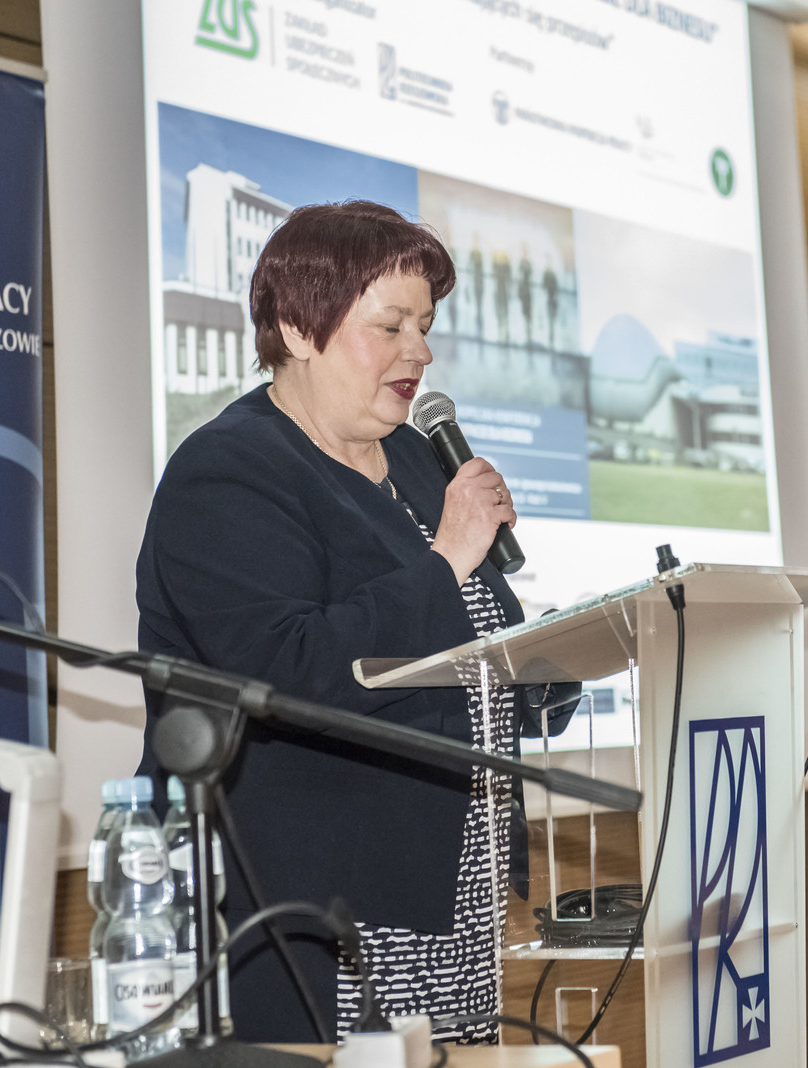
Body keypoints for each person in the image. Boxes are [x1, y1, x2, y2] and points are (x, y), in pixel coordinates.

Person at [135, 200, 575, 1044]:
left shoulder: (413, 457)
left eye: (426, 326)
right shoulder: (226, 472)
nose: (421, 350)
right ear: (299, 328)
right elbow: (291, 670)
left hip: (453, 891)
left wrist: (546, 667)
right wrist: (448, 558)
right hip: (323, 907)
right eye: (392, 325)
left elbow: (460, 634)